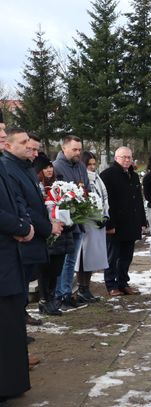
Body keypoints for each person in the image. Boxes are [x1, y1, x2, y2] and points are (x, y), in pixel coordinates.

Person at [1, 130, 63, 325]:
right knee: (17, 289)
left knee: (25, 283)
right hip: (21, 238)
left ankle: (19, 324)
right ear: (9, 146)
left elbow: (32, 200)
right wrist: (44, 227)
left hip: (31, 235)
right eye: (24, 142)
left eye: (30, 141)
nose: (29, 146)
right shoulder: (9, 168)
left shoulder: (25, 167)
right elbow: (20, 206)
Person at [0, 111, 34, 401]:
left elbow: (16, 201)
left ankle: (11, 382)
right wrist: (21, 227)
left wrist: (24, 224)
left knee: (11, 320)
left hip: (9, 253)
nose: (3, 135)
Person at [101, 147, 146, 296]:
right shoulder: (108, 175)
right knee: (112, 256)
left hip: (131, 222)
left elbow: (138, 199)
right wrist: (109, 224)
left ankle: (123, 282)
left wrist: (142, 220)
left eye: (129, 157)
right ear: (116, 158)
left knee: (127, 256)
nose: (127, 160)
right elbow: (106, 202)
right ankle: (111, 284)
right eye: (123, 157)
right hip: (116, 223)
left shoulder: (133, 175)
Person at [53, 135, 90, 311]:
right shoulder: (56, 167)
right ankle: (59, 294)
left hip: (80, 219)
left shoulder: (81, 166)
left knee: (72, 260)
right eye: (74, 149)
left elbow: (86, 188)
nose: (78, 152)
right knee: (63, 259)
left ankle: (67, 293)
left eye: (79, 149)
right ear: (64, 148)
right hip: (65, 221)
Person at [34, 153, 71, 316]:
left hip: (62, 232)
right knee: (45, 268)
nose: (49, 170)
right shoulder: (38, 186)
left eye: (50, 166)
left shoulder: (59, 186)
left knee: (57, 268)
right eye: (45, 167)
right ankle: (44, 300)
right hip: (46, 232)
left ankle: (51, 298)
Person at [74, 151, 109, 302]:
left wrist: (105, 215)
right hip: (87, 224)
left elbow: (104, 197)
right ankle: (82, 288)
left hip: (98, 223)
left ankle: (86, 287)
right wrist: (93, 217)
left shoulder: (98, 179)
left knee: (93, 258)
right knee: (83, 258)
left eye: (94, 164)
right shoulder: (82, 179)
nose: (93, 167)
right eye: (89, 165)